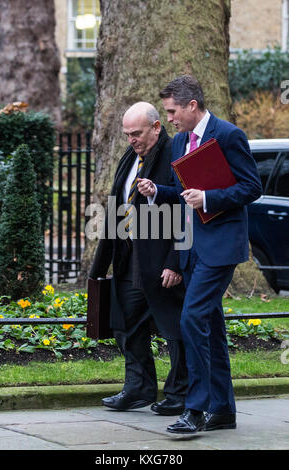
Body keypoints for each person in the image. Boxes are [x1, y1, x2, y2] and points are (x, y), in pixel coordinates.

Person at [138, 76, 262, 433]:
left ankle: (195, 408)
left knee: (191, 319)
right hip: (192, 247)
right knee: (211, 327)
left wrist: (209, 199)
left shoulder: (227, 135)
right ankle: (222, 410)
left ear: (192, 105)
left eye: (173, 111)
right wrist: (155, 190)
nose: (171, 119)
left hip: (220, 248)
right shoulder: (179, 143)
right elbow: (182, 194)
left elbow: (251, 187)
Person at [89, 101, 188, 416]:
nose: (131, 139)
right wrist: (99, 264)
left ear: (157, 127)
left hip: (162, 260)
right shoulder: (129, 157)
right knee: (125, 324)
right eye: (127, 134)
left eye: (137, 133)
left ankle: (179, 394)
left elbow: (188, 212)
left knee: (174, 329)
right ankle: (138, 388)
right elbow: (117, 208)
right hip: (128, 255)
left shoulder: (176, 154)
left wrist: (176, 261)